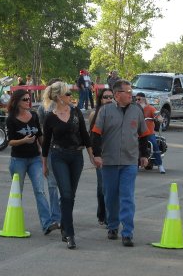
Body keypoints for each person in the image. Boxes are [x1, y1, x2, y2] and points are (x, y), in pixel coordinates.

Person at [91, 79, 149, 247]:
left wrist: (144, 154)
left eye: (131, 91)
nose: (131, 94)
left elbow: (143, 134)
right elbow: (96, 134)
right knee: (110, 197)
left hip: (129, 161)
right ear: (117, 94)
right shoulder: (105, 111)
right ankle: (113, 225)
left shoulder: (136, 111)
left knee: (127, 197)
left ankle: (127, 233)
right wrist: (97, 155)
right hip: (109, 161)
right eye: (128, 92)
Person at [41, 81, 94, 249]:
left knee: (71, 195)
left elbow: (85, 136)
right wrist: (44, 164)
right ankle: (69, 234)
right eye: (68, 94)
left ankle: (64, 225)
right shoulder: (50, 117)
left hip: (77, 156)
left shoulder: (76, 112)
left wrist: (93, 157)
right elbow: (46, 143)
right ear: (59, 97)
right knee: (65, 194)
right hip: (58, 156)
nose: (72, 96)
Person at [6, 89, 56, 235]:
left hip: (35, 158)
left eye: (29, 99)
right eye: (25, 99)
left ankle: (47, 224)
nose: (29, 101)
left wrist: (44, 155)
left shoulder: (33, 115)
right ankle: (15, 223)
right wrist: (23, 140)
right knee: (17, 192)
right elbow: (10, 142)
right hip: (18, 160)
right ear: (17, 102)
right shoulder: (11, 119)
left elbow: (40, 136)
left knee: (40, 190)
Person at [37, 78, 63, 231]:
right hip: (51, 150)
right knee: (52, 185)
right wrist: (43, 155)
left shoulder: (69, 107)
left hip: (66, 150)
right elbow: (41, 133)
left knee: (66, 186)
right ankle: (56, 217)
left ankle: (63, 213)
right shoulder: (43, 108)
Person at [88, 88, 114, 225]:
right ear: (100, 99)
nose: (109, 100)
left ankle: (112, 216)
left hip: (116, 156)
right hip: (101, 155)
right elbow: (91, 138)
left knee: (113, 188)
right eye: (106, 97)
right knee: (103, 187)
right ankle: (102, 215)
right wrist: (93, 155)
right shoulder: (94, 114)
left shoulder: (119, 113)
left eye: (111, 97)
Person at [135, 92, 166, 174]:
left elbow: (158, 116)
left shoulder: (150, 108)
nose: (137, 101)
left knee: (155, 145)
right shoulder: (134, 109)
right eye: (136, 99)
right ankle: (134, 166)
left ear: (144, 99)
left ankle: (160, 165)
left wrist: (159, 118)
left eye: (139, 99)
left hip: (148, 133)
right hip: (136, 134)